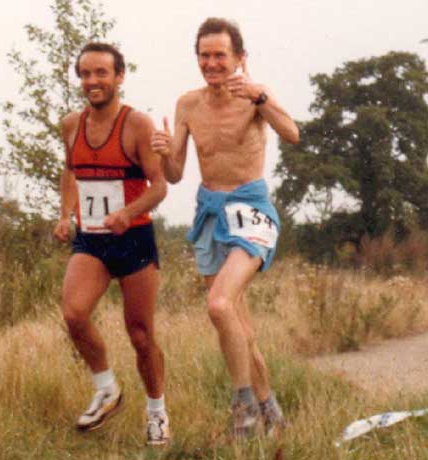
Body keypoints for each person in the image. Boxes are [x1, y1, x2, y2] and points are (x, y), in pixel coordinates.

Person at [151, 17, 299, 438]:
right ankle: (271, 410)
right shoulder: (188, 105)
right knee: (235, 322)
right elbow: (176, 173)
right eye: (205, 55)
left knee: (218, 305)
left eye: (220, 55)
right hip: (211, 212)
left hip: (252, 210)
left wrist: (262, 96)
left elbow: (292, 133)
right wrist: (164, 153)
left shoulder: (255, 97)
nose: (212, 63)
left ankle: (244, 407)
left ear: (239, 58)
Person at [54, 42, 170, 446]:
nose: (92, 81)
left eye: (101, 73)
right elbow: (71, 171)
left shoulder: (137, 124)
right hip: (92, 239)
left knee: (140, 334)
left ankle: (157, 412)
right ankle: (106, 387)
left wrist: (127, 211)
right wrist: (65, 214)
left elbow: (160, 188)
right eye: (85, 74)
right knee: (74, 314)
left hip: (133, 238)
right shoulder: (71, 124)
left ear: (119, 76)